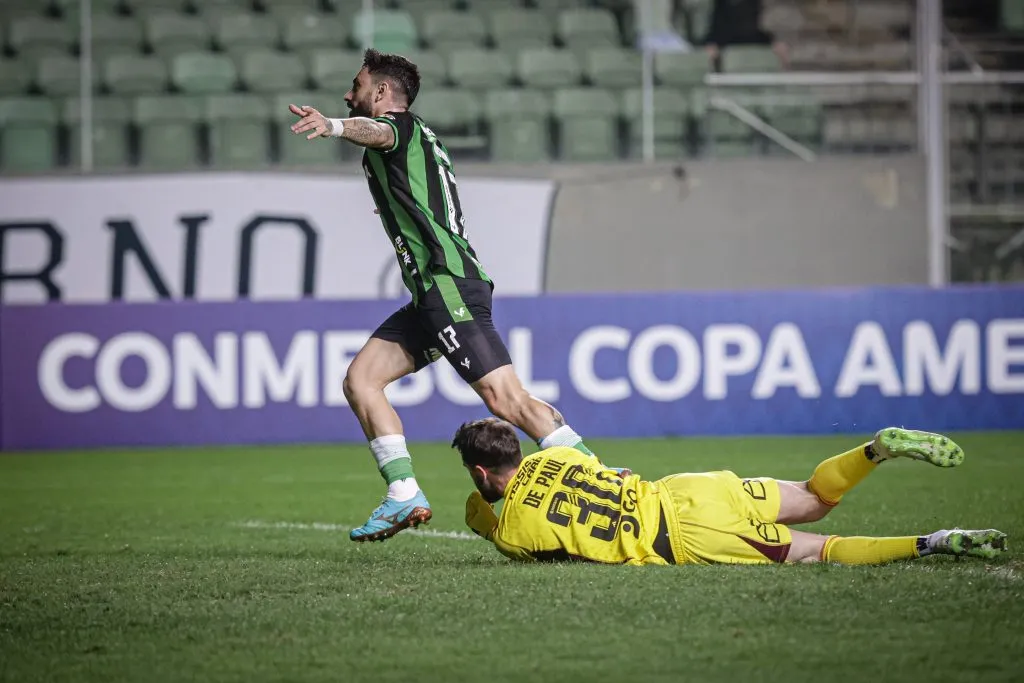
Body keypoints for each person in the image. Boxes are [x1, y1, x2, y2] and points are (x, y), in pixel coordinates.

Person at [287, 49, 594, 543]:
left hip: (446, 283)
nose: (350, 94)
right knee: (361, 380)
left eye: (357, 85)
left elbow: (379, 131)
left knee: (504, 398)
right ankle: (403, 491)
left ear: (383, 92)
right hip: (431, 293)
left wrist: (335, 126)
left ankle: (596, 477)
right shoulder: (421, 141)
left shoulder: (399, 128)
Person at [455, 420, 1008, 565]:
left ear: (481, 473)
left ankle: (935, 542)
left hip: (684, 535)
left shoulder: (513, 533)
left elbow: (510, 532)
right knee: (815, 495)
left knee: (821, 548)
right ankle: (875, 450)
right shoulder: (558, 454)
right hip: (688, 489)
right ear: (515, 452)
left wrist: (484, 512)